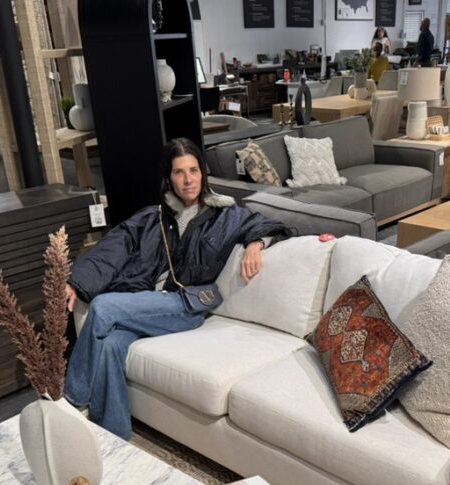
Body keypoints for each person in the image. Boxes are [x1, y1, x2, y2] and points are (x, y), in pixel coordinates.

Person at [63, 138, 290, 439]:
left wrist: (256, 244)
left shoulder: (225, 216)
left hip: (186, 305)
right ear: (168, 178)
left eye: (193, 170)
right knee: (110, 344)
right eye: (179, 172)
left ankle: (69, 402)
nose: (188, 180)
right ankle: (113, 436)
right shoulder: (153, 217)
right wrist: (77, 282)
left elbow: (267, 224)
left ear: (203, 173)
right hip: (148, 302)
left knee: (103, 306)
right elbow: (113, 247)